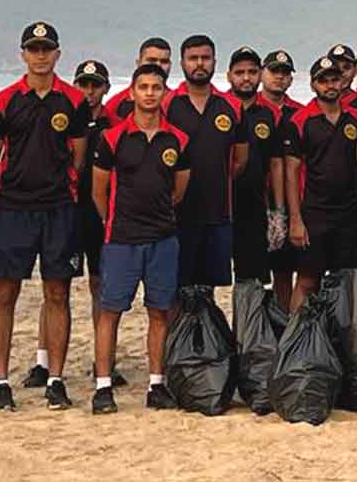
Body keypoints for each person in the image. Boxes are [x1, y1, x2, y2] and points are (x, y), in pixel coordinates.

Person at [0, 22, 91, 411]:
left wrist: (61, 185)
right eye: (33, 48)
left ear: (58, 54)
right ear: (22, 55)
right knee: (4, 293)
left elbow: (78, 155)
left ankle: (56, 380)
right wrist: (8, 186)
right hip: (14, 209)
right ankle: (0, 382)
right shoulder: (4, 101)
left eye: (47, 48)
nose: (40, 55)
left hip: (59, 207)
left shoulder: (73, 101)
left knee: (57, 292)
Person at [89, 64, 190, 414]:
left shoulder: (177, 139)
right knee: (110, 312)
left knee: (160, 312)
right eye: (143, 87)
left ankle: (156, 384)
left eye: (156, 87)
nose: (149, 93)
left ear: (164, 92)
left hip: (163, 238)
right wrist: (114, 223)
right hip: (121, 240)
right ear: (131, 92)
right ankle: (103, 387)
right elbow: (98, 191)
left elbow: (179, 189)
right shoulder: (112, 137)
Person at [283, 57, 357, 312]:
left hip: (350, 213)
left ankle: (345, 342)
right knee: (308, 281)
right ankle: (295, 343)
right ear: (313, 85)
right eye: (323, 80)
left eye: (334, 79)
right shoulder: (300, 121)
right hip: (315, 213)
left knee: (350, 281)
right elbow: (291, 172)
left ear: (343, 82)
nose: (330, 85)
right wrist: (296, 220)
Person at [165, 35, 247, 293]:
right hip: (174, 217)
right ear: (182, 63)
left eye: (205, 58)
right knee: (175, 291)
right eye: (193, 58)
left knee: (207, 292)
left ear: (214, 62)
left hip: (218, 214)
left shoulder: (232, 106)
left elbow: (239, 160)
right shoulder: (167, 104)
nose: (199, 64)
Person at [71, 60, 125, 386]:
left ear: (106, 88)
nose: (89, 91)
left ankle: (104, 361)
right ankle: (43, 361)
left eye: (95, 85)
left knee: (102, 287)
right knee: (57, 285)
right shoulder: (64, 120)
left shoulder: (115, 124)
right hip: (69, 211)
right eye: (84, 84)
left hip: (101, 214)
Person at [227, 48, 286, 286]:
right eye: (239, 72)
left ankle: (247, 325)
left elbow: (276, 164)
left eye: (252, 72)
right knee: (204, 280)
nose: (246, 78)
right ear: (229, 75)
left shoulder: (270, 115)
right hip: (219, 207)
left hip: (254, 206)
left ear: (260, 75)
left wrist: (279, 212)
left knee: (252, 280)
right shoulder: (219, 108)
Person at [260, 50, 302, 311]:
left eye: (285, 73)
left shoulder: (298, 114)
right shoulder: (247, 109)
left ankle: (286, 326)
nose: (279, 77)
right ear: (263, 72)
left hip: (291, 202)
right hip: (253, 200)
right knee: (251, 276)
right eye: (274, 71)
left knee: (285, 270)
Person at [103, 37, 174, 122]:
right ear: (138, 63)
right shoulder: (115, 104)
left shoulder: (179, 102)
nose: (158, 65)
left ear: (170, 65)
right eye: (152, 60)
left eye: (164, 61)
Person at [330, 44, 357, 113]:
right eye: (336, 68)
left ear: (355, 71)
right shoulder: (317, 106)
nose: (341, 73)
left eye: (346, 67)